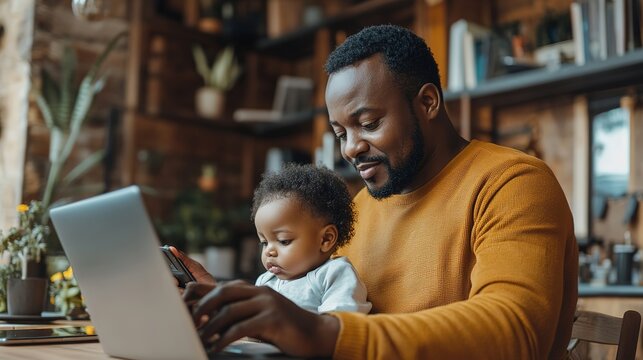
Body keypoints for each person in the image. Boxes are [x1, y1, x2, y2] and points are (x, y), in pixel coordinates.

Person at [176, 24, 578, 359]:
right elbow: (318, 298)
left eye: (368, 123)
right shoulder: (363, 206)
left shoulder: (512, 183)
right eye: (340, 133)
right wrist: (231, 307)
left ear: (428, 102)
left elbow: (516, 332)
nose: (350, 147)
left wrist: (326, 334)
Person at [251, 163, 371, 314]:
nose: (269, 251)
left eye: (283, 241)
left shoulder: (333, 274)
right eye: (264, 242)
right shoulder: (265, 281)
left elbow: (340, 325)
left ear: (326, 239)